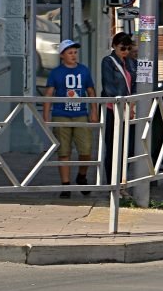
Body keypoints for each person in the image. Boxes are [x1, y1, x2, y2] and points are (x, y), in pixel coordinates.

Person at [43, 39, 98, 198]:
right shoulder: (56, 73)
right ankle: (65, 185)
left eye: (75, 52)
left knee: (86, 150)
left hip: (80, 114)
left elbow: (90, 91)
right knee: (64, 151)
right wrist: (46, 117)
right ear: (62, 55)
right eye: (70, 53)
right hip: (61, 114)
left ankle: (82, 176)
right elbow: (49, 95)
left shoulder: (84, 71)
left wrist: (94, 111)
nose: (73, 55)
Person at [100, 32, 136, 188]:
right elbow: (108, 85)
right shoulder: (108, 62)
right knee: (113, 146)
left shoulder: (132, 63)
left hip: (129, 108)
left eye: (128, 48)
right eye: (123, 48)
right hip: (112, 109)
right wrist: (119, 104)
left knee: (129, 148)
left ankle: (122, 182)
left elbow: (136, 84)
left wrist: (132, 104)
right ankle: (111, 183)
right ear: (114, 46)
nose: (126, 51)